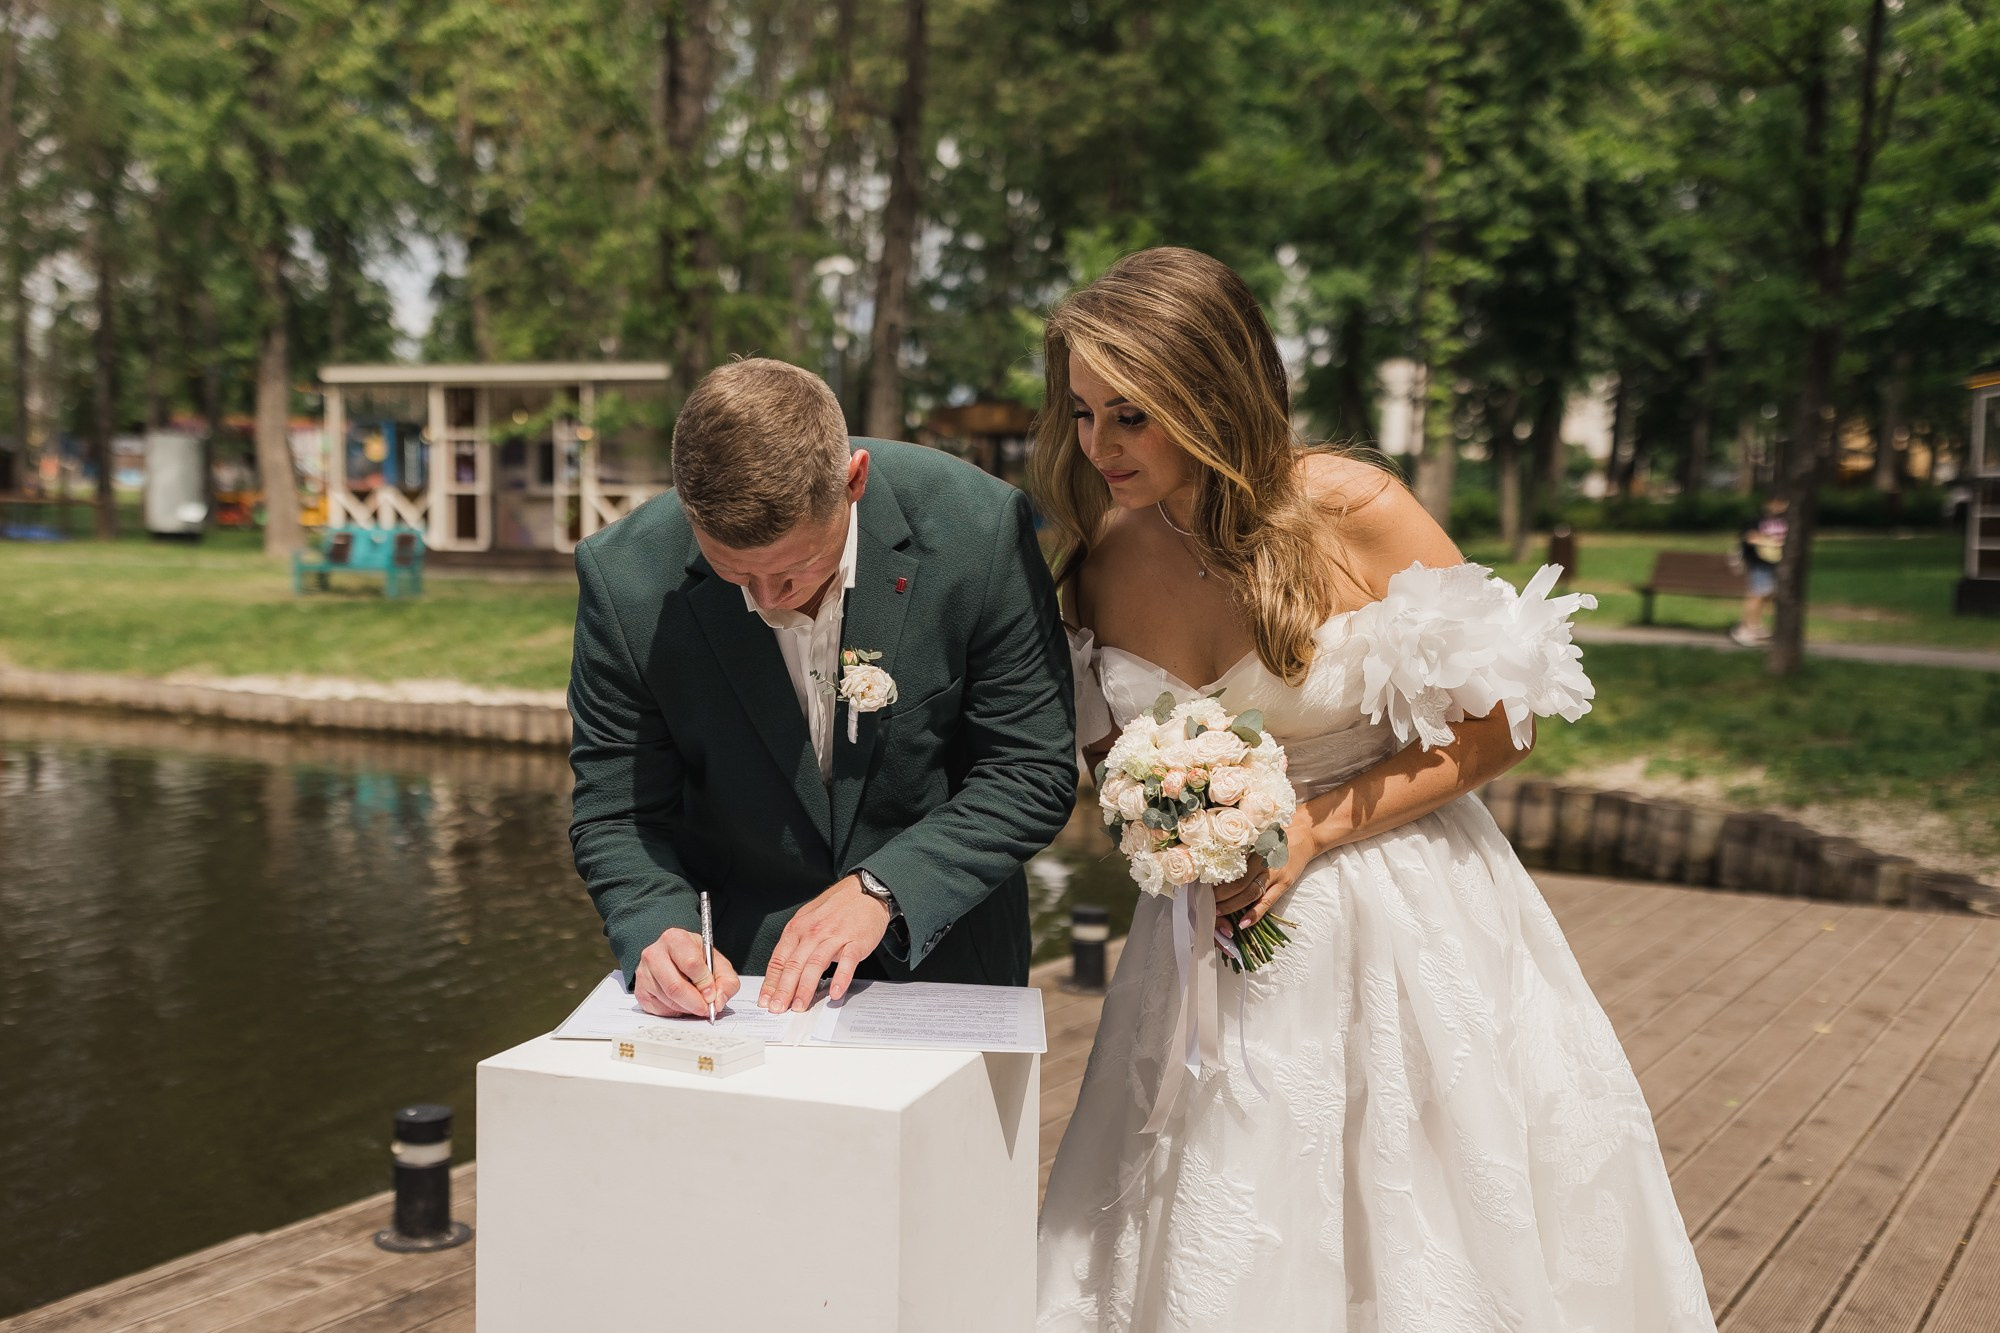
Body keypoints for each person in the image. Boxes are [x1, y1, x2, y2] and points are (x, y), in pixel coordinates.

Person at [1033, 248, 1715, 1331]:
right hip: (1207, 941)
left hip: (1406, 910)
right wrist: (1179, 828)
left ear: (1211, 394)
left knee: (1422, 1211)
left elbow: (1503, 718)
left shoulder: (1355, 510)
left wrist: (1306, 827)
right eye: (1081, 413)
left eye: (1131, 416)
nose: (1098, 447)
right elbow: (1115, 759)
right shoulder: (1102, 559)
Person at [567, 358, 1076, 1018]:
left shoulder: (979, 531)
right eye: (733, 571)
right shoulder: (624, 580)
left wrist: (884, 886)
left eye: (793, 569)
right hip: (742, 994)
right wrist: (656, 930)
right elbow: (619, 813)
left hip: (948, 970)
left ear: (854, 480)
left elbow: (1030, 769)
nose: (768, 599)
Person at [1731, 496, 1789, 646]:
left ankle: (1755, 625)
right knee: (1756, 595)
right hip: (1760, 563)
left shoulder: (1786, 520)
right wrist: (1771, 542)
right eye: (1776, 502)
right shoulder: (1757, 520)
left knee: (1767, 595)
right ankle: (1745, 629)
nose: (1780, 506)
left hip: (1776, 563)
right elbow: (1750, 537)